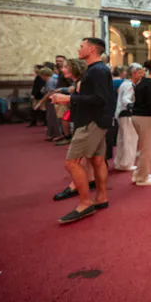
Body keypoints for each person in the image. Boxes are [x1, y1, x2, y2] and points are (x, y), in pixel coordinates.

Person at [51, 38, 114, 224]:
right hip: (96, 120)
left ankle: (85, 203)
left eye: (82, 46)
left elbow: (99, 99)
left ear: (92, 49)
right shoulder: (97, 70)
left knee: (71, 163)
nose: (79, 49)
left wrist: (68, 99)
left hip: (91, 121)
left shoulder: (98, 71)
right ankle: (101, 198)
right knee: (96, 160)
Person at [52, 58, 96, 201]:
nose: (62, 69)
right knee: (88, 157)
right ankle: (90, 180)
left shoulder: (81, 83)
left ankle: (77, 188)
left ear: (74, 68)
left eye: (65, 67)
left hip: (85, 122)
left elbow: (86, 101)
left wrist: (66, 99)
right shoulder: (78, 83)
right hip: (84, 121)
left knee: (74, 160)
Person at [114, 63, 144, 172]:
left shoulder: (125, 84)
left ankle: (120, 162)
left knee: (122, 139)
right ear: (133, 73)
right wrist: (135, 106)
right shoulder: (129, 85)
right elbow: (126, 100)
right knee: (130, 139)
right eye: (139, 72)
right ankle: (127, 163)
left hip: (121, 113)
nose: (141, 75)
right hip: (126, 114)